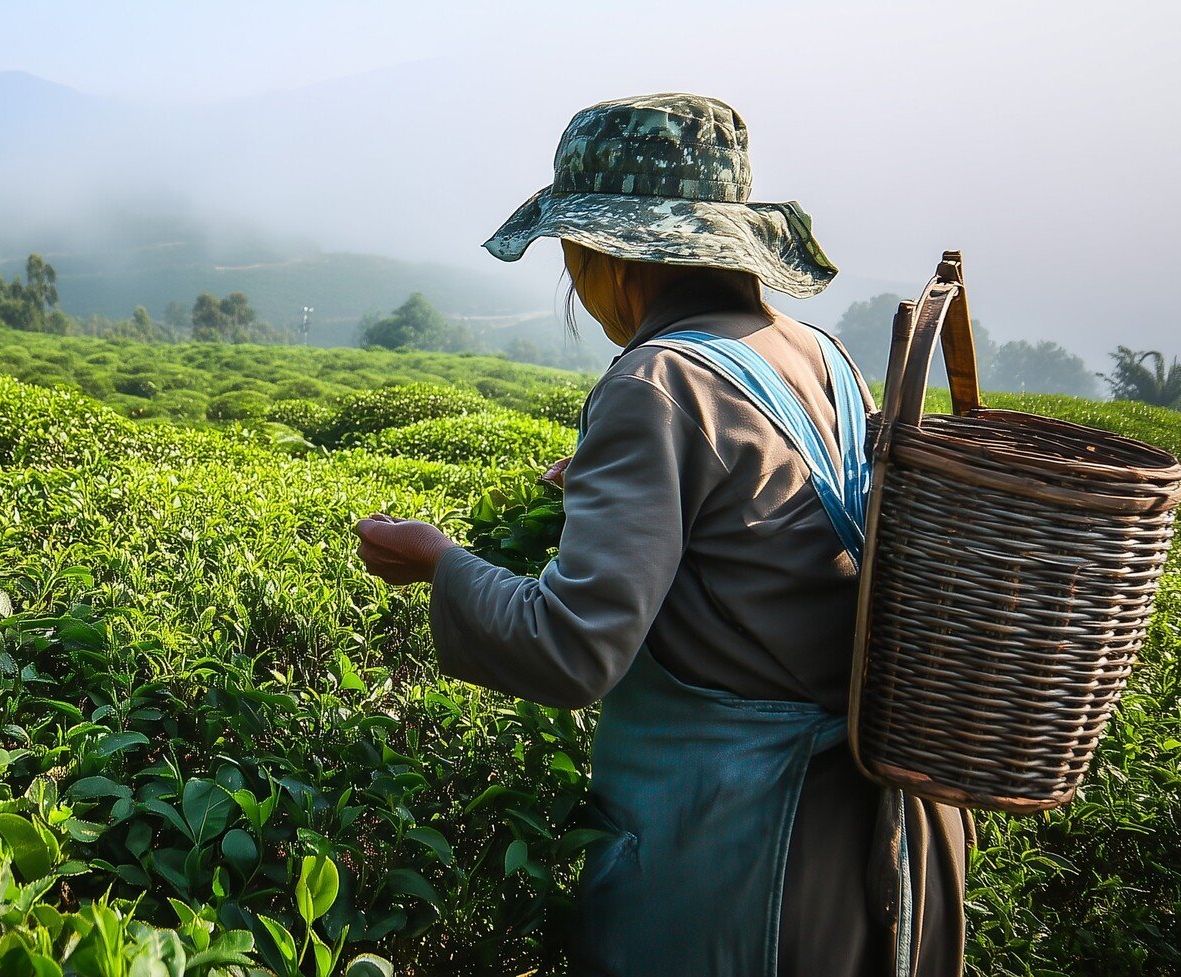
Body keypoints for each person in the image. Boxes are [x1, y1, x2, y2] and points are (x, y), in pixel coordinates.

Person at [353, 94, 973, 977]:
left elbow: (571, 647)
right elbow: (773, 533)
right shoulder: (819, 353)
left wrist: (440, 562)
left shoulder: (657, 380)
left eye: (572, 252)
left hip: (745, 859)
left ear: (614, 255)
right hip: (876, 846)